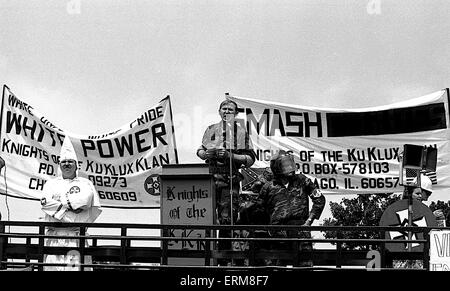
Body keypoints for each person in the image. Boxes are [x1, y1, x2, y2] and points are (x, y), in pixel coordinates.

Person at [196, 99, 256, 266]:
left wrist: (231, 156)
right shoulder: (211, 130)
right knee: (205, 218)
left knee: (226, 221)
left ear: (235, 114)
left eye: (230, 109)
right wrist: (205, 154)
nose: (227, 112)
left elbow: (250, 159)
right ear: (219, 111)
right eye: (224, 109)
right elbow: (199, 150)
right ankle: (203, 259)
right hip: (209, 180)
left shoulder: (241, 132)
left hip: (230, 181)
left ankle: (223, 261)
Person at [40, 136, 102, 271]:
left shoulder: (85, 184)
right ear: (59, 164)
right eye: (64, 162)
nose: (67, 164)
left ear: (76, 165)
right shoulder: (51, 184)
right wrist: (71, 207)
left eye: (70, 161)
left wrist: (60, 203)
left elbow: (86, 201)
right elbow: (45, 203)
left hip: (76, 238)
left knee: (74, 269)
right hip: (54, 239)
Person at [256, 150, 326, 267]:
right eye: (285, 165)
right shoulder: (268, 187)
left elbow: (320, 200)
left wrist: (309, 221)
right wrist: (267, 228)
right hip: (278, 232)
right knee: (276, 267)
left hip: (300, 229)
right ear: (277, 167)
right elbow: (259, 210)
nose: (289, 167)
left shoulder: (302, 180)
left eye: (290, 163)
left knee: (304, 266)